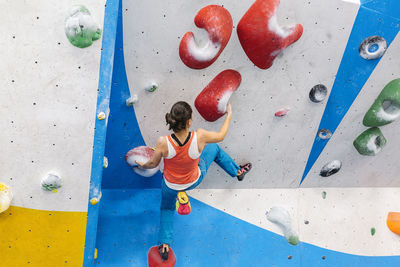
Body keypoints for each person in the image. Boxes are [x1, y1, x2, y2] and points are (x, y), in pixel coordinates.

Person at [136, 101, 252, 261]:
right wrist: (229, 114)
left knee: (167, 208)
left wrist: (141, 163)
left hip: (170, 185)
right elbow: (221, 135)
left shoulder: (163, 142)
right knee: (214, 148)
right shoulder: (200, 136)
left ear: (172, 121)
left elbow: (153, 164)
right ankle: (237, 171)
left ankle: (165, 244)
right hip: (193, 180)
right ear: (189, 121)